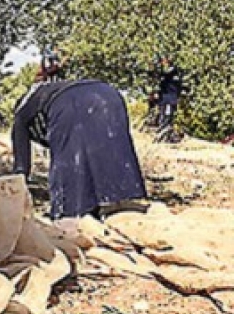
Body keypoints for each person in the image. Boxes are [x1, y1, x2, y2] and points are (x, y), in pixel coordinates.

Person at [11, 79, 147, 221]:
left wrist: (20, 178)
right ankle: (121, 200)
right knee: (111, 148)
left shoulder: (22, 111)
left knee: (69, 161)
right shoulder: (48, 91)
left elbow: (21, 148)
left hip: (70, 101)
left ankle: (68, 212)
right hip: (110, 96)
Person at [152, 56, 187, 137]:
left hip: (169, 100)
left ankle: (165, 132)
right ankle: (163, 131)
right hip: (166, 99)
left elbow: (179, 87)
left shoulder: (170, 75)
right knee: (165, 116)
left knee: (167, 116)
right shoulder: (165, 76)